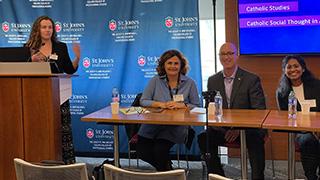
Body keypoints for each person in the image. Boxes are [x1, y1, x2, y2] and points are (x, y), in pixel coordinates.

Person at [197, 42, 266, 179]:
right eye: (223, 54)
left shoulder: (251, 79)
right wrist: (216, 125)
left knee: (256, 139)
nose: (226, 57)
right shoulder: (213, 80)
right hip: (223, 129)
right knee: (204, 137)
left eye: (230, 53)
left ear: (237, 55)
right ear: (219, 57)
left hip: (248, 129)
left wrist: (239, 129)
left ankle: (257, 178)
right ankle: (218, 176)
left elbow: (258, 110)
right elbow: (211, 108)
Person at [25, 15, 82, 164]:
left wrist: (77, 58)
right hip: (36, 96)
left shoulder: (60, 47)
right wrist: (31, 61)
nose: (47, 30)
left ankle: (65, 162)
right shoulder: (29, 47)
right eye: (44, 27)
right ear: (38, 29)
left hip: (59, 96)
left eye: (50, 27)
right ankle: (39, 160)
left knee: (61, 130)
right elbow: (22, 70)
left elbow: (69, 70)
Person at [136, 49, 201, 171]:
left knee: (159, 150)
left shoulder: (189, 83)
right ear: (163, 65)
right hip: (153, 125)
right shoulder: (156, 80)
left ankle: (164, 173)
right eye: (169, 63)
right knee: (142, 152)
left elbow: (197, 105)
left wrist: (183, 105)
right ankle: (167, 169)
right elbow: (143, 100)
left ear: (181, 65)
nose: (173, 66)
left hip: (175, 127)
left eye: (176, 63)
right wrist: (161, 104)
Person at [276, 54, 320, 180]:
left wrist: (316, 128)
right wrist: (308, 130)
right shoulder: (282, 93)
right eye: (289, 67)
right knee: (308, 141)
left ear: (303, 68)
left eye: (296, 66)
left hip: (319, 127)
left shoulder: (317, 85)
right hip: (300, 131)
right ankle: (311, 177)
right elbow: (286, 119)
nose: (293, 70)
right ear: (285, 71)